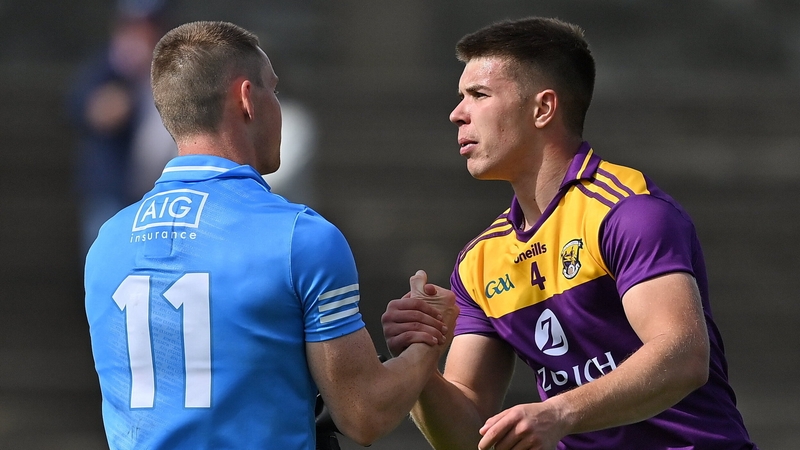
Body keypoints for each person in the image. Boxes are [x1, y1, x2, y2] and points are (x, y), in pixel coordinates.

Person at [382, 16, 758, 450]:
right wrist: (419, 362)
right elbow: (468, 436)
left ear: (543, 108)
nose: (456, 113)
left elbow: (684, 357)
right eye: (460, 97)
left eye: (478, 95)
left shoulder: (628, 212)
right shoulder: (479, 262)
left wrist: (559, 412)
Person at [84, 20, 457, 450]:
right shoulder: (300, 237)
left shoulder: (106, 242)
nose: (277, 105)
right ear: (247, 99)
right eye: (273, 91)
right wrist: (428, 341)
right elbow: (363, 415)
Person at [68, 4, 177, 257]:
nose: (143, 33)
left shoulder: (174, 69)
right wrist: (124, 85)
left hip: (163, 194)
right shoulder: (106, 68)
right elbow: (85, 109)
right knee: (109, 264)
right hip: (113, 193)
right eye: (135, 26)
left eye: (151, 26)